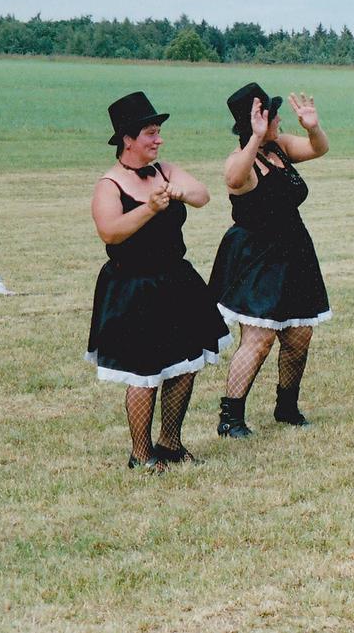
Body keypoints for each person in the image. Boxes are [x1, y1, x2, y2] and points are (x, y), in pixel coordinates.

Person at [87, 91, 231, 472]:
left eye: (159, 132)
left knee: (185, 362)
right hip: (133, 285)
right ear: (128, 139)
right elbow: (111, 232)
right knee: (144, 371)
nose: (158, 139)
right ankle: (141, 453)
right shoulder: (110, 184)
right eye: (151, 133)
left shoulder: (166, 170)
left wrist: (182, 191)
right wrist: (149, 209)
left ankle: (170, 443)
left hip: (175, 279)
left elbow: (203, 195)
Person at [208, 82, 331, 439]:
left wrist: (312, 127)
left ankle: (286, 406)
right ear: (255, 121)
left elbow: (318, 148)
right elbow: (233, 178)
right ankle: (230, 416)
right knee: (259, 337)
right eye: (271, 115)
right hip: (256, 255)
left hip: (293, 249)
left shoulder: (281, 146)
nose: (278, 119)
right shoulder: (241, 161)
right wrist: (254, 139)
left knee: (299, 333)